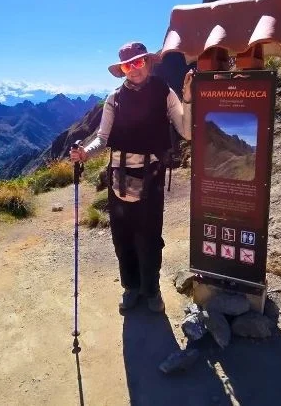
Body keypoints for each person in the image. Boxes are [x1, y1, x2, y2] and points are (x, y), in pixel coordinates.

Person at [70, 42, 193, 313]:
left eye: (138, 62)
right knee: (122, 236)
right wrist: (85, 153)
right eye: (128, 65)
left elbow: (187, 132)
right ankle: (131, 287)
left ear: (147, 62)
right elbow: (102, 138)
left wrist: (187, 99)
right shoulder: (114, 98)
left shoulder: (164, 92)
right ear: (122, 70)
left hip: (151, 176)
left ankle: (151, 290)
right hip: (118, 177)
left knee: (149, 236)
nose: (134, 69)